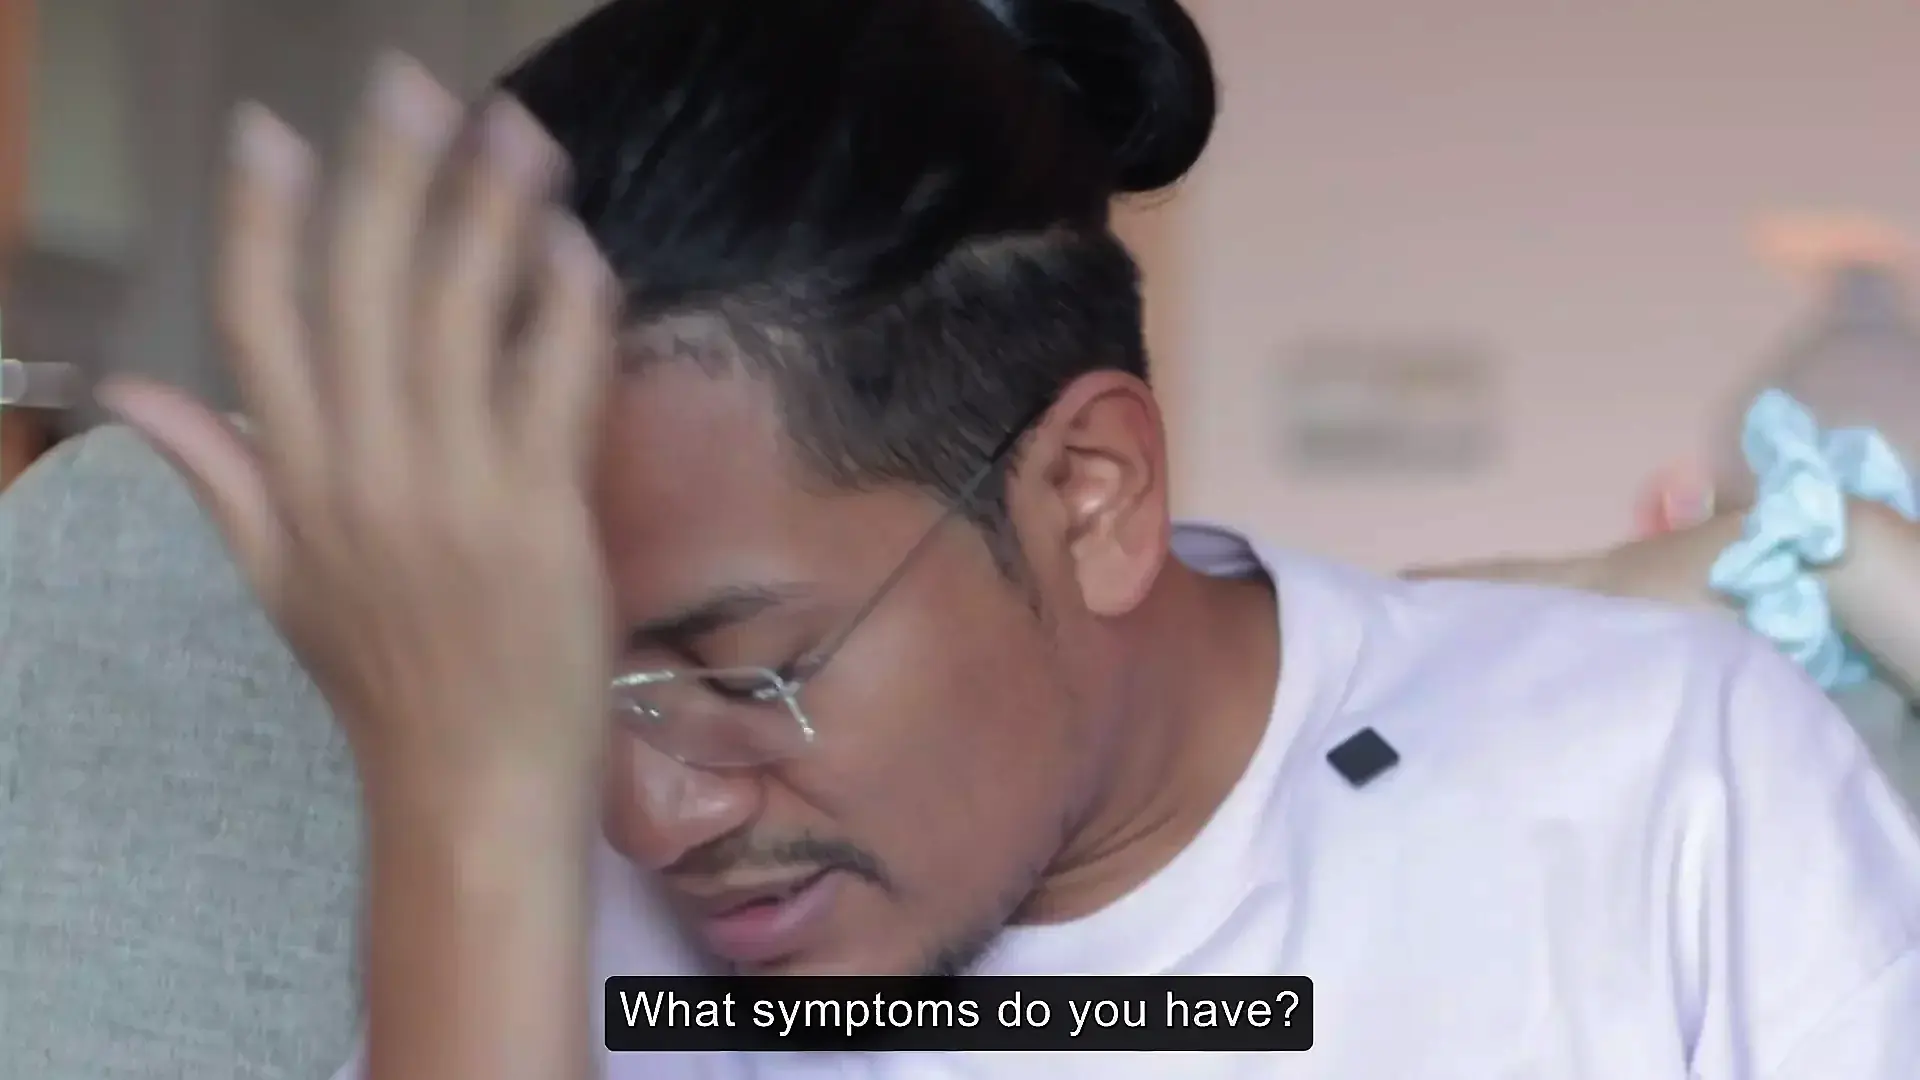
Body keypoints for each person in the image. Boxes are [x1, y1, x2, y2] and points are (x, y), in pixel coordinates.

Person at [95, 1, 1920, 1078]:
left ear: (1092, 497)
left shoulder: (1662, 785)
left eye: (748, 672)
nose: (661, 814)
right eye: (572, 685)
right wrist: (467, 819)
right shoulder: (526, 903)